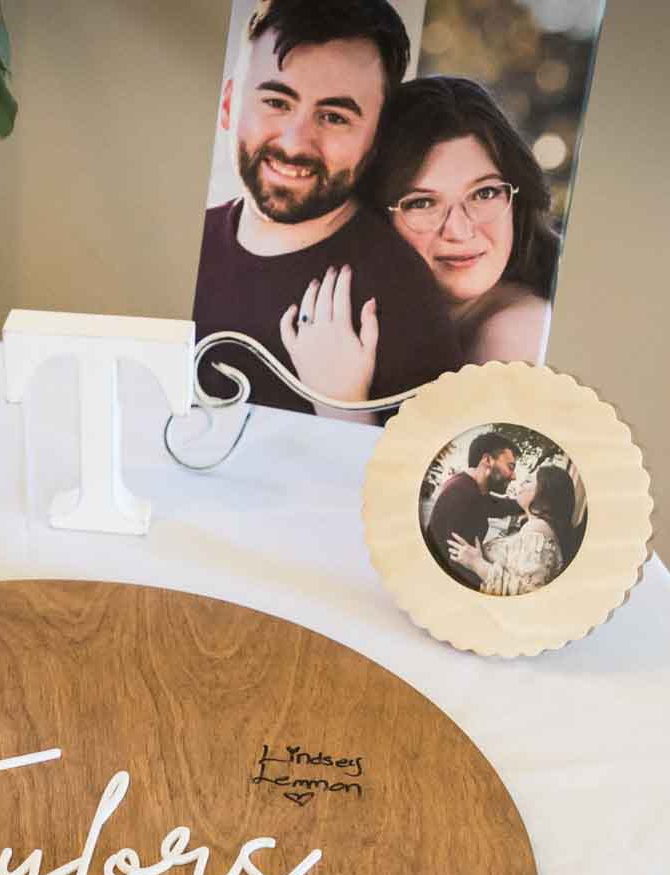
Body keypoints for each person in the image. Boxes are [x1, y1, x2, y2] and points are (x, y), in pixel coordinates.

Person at [192, 0, 463, 417]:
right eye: (276, 102)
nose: (296, 143)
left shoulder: (403, 299)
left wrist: (345, 408)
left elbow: (415, 480)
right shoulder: (180, 243)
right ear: (228, 104)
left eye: (334, 117)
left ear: (377, 138)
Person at [362, 76, 562, 364]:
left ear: (516, 200)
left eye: (484, 193)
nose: (458, 230)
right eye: (422, 202)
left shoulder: (515, 335)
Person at [447, 464, 577, 595]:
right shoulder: (537, 528)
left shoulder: (537, 530)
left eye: (528, 481)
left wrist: (476, 563)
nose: (521, 484)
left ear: (545, 493)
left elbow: (527, 591)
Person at [422, 428, 523, 589]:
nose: (514, 476)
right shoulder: (463, 495)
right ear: (487, 460)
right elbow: (453, 566)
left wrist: (528, 501)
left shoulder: (468, 487)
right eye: (510, 466)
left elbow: (498, 506)